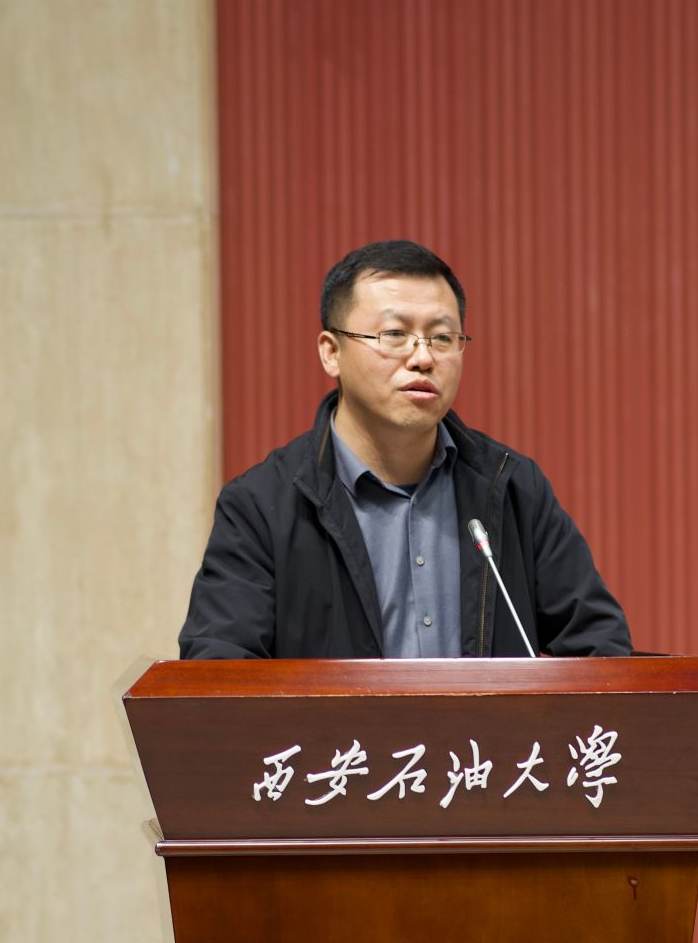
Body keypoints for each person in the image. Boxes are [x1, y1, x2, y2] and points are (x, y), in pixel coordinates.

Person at [178, 239, 631, 659]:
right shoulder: (263, 506)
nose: (423, 357)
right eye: (394, 334)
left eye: (442, 337)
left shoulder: (511, 487)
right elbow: (218, 676)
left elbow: (602, 652)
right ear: (331, 352)